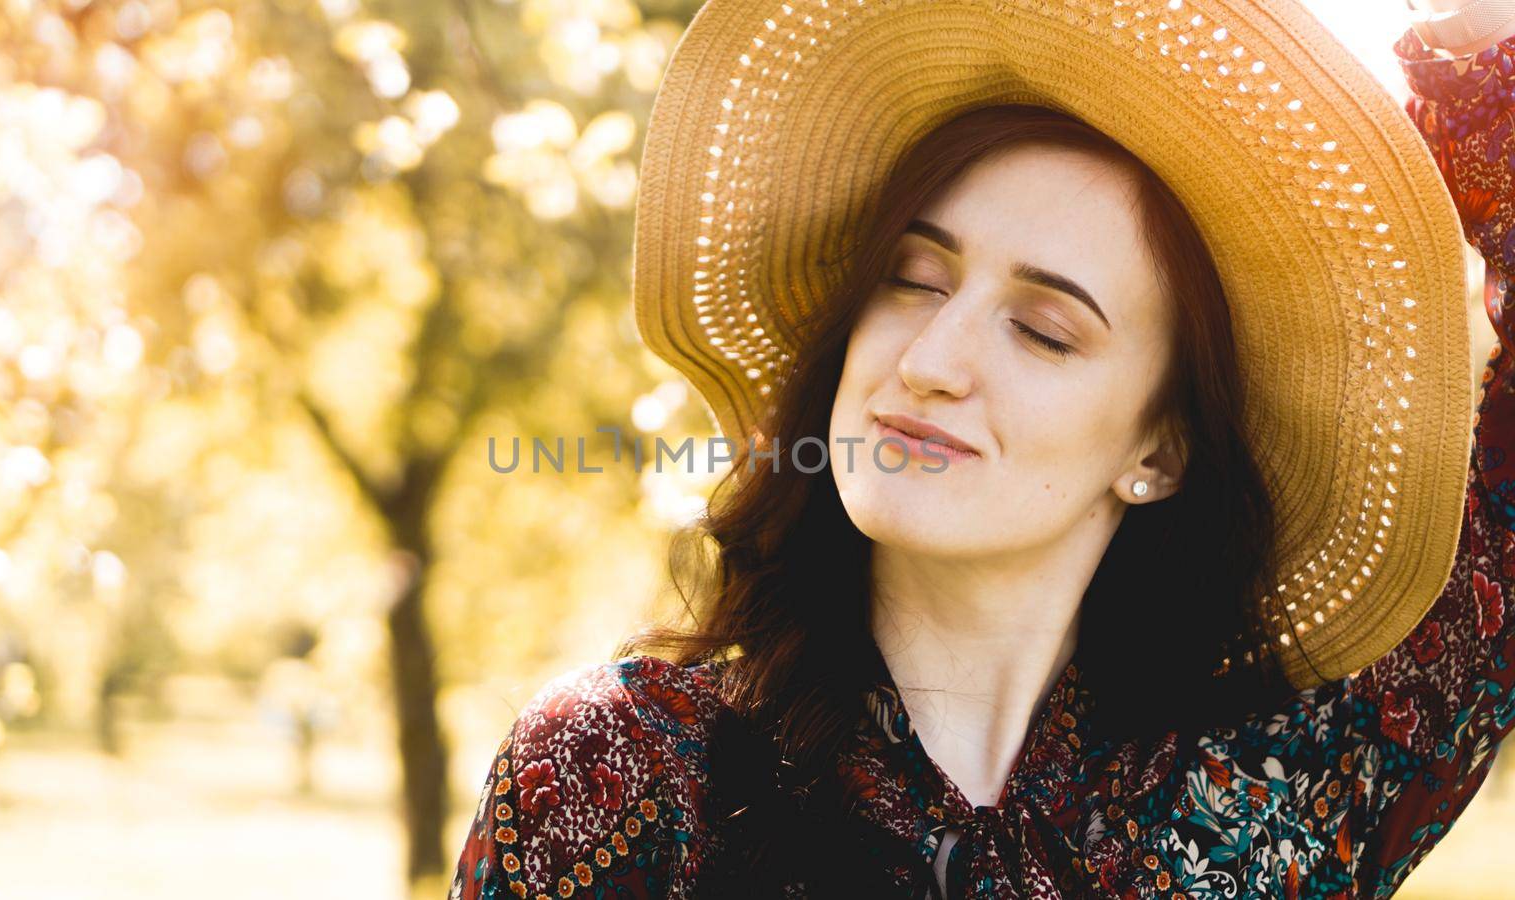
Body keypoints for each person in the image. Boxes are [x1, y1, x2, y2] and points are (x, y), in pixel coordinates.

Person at [451, 0, 1515, 896]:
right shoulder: (627, 768)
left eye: (1044, 329)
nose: (932, 356)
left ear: (1158, 453)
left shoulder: (1271, 794)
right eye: (913, 278)